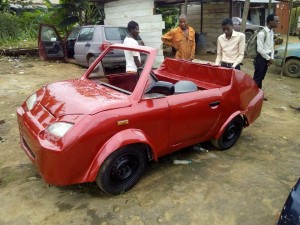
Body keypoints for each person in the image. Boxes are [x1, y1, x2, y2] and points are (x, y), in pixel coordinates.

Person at [253, 14, 279, 95]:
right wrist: (269, 58)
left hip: (266, 58)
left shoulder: (271, 32)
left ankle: (258, 94)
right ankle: (252, 94)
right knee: (257, 77)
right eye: (276, 21)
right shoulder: (262, 33)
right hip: (261, 58)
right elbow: (259, 49)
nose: (278, 23)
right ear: (270, 22)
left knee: (261, 77)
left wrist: (271, 58)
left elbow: (271, 46)